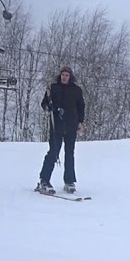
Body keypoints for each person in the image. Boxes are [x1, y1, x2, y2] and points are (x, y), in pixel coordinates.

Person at [37, 66, 86, 195]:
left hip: (71, 126)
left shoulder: (76, 90)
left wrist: (80, 121)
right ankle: (44, 179)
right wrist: (49, 107)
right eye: (63, 75)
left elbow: (81, 106)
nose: (64, 77)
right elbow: (44, 103)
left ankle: (69, 181)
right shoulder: (53, 88)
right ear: (60, 75)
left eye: (67, 75)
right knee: (53, 152)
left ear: (70, 77)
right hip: (56, 126)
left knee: (69, 153)